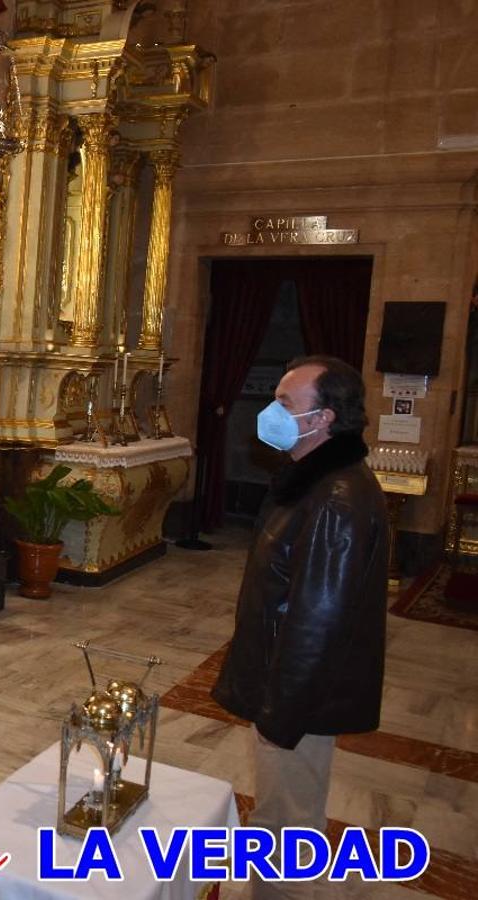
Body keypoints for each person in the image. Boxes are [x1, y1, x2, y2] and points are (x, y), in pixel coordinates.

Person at [211, 355, 387, 899]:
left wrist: (281, 711)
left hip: (294, 695)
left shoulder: (335, 497)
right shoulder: (313, 483)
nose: (272, 413)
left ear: (325, 418)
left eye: (286, 404)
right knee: (276, 818)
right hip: (285, 685)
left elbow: (320, 621)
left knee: (289, 828)